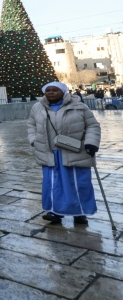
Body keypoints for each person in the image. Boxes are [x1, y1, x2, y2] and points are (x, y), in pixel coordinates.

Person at [27, 81, 101, 226]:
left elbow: (92, 125)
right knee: (54, 184)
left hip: (75, 151)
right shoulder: (37, 107)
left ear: (64, 92)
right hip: (50, 153)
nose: (51, 92)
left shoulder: (79, 106)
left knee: (78, 183)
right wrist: (33, 140)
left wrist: (91, 143)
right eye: (48, 90)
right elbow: (31, 124)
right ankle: (55, 211)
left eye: (55, 90)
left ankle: (79, 212)